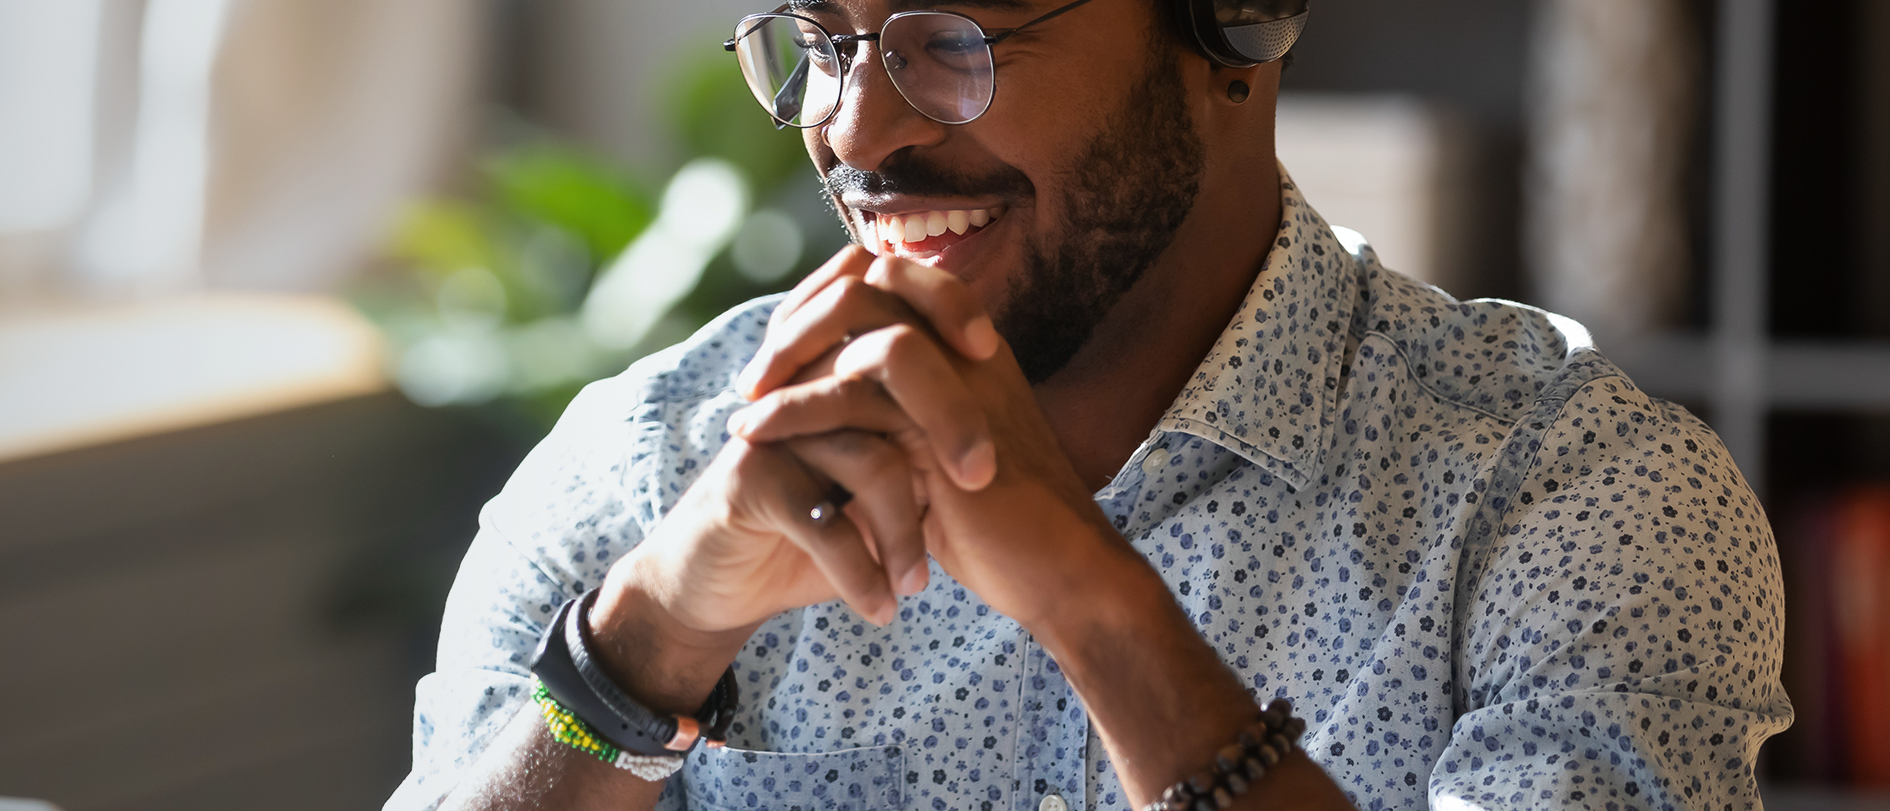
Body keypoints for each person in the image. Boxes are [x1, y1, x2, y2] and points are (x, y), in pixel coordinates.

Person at [388, 0, 1791, 808]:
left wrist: (1097, 609)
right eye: (822, 41)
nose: (861, 135)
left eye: (948, 38)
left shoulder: (1578, 505)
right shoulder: (651, 470)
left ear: (1233, 21)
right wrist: (646, 646)